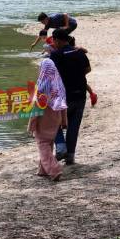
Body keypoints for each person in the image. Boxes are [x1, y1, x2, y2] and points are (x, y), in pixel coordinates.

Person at [50, 29, 92, 165]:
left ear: (57, 40)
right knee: (73, 125)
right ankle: (70, 156)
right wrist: (77, 75)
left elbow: (50, 75)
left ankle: (61, 146)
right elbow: (87, 69)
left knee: (54, 121)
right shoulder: (79, 52)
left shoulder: (56, 55)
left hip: (63, 96)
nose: (53, 44)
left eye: (53, 41)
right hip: (80, 93)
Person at [28, 58, 67, 181]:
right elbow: (63, 106)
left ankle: (54, 170)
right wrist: (64, 121)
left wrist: (31, 125)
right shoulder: (59, 85)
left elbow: (35, 110)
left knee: (43, 145)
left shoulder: (40, 88)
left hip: (43, 121)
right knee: (48, 144)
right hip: (56, 120)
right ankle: (43, 170)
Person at [42, 35, 97, 108]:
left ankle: (92, 94)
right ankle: (92, 94)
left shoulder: (61, 52)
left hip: (71, 86)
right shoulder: (76, 50)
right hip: (79, 80)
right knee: (83, 83)